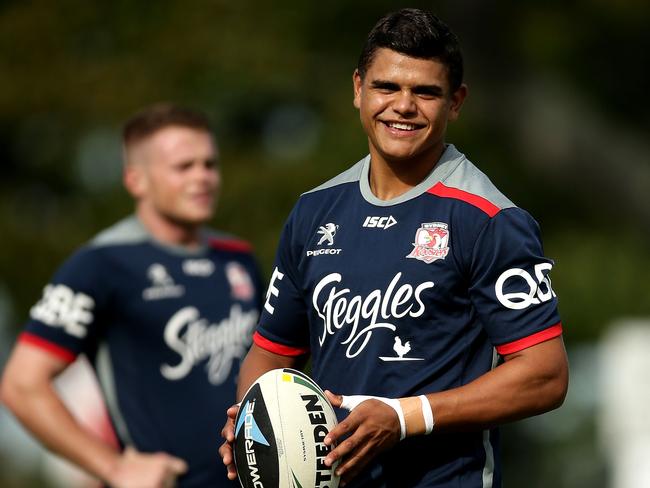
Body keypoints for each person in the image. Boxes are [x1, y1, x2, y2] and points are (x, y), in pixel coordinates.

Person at [219, 8, 569, 488]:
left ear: (456, 102)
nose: (403, 106)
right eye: (387, 87)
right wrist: (251, 424)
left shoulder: (490, 220)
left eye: (425, 92)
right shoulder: (313, 212)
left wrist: (405, 417)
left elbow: (544, 376)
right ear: (358, 89)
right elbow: (271, 353)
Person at [1, 103, 263, 487]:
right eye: (183, 167)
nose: (203, 177)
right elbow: (22, 385)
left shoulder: (238, 257)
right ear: (136, 180)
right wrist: (114, 468)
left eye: (210, 164)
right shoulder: (101, 264)